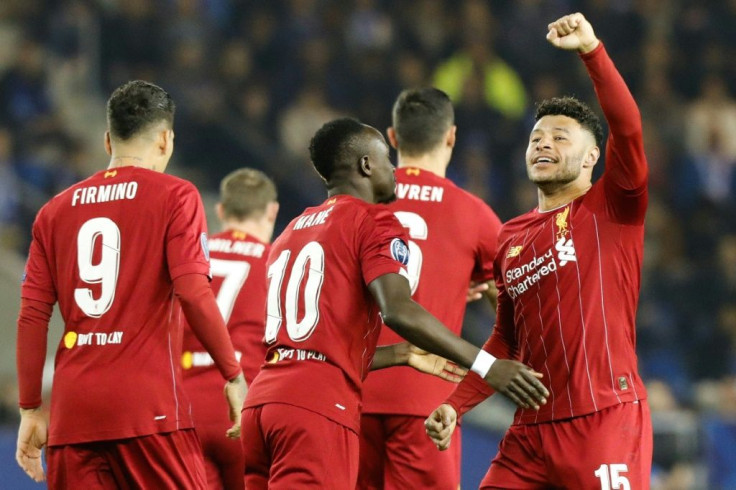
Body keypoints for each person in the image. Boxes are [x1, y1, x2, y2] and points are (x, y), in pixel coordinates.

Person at [241, 117, 549, 489]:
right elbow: (398, 309)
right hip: (315, 407)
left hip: (262, 403)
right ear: (366, 165)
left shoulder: (292, 230)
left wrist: (400, 353)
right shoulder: (373, 220)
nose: (393, 169)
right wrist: (487, 365)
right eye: (386, 159)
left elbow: (313, 345)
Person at [425, 13, 653, 489]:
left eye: (560, 138)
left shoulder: (612, 207)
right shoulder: (510, 237)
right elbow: (507, 342)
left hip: (603, 419)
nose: (543, 143)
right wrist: (454, 402)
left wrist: (592, 52)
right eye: (536, 138)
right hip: (530, 434)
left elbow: (628, 129)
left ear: (592, 156)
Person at [15, 80, 247, 488]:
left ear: (107, 140)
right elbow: (193, 291)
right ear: (165, 139)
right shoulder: (177, 196)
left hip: (74, 414)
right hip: (148, 409)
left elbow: (32, 315)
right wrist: (232, 373)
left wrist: (31, 408)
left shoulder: (53, 212)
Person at [359, 87, 503, 490]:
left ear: (392, 137)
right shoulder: (474, 214)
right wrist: (460, 284)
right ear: (451, 136)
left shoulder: (356, 205)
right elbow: (513, 311)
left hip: (353, 391)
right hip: (429, 401)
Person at [180, 168, 278, 490]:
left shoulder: (190, 257)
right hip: (246, 407)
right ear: (272, 211)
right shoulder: (277, 263)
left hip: (186, 409)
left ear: (220, 211)